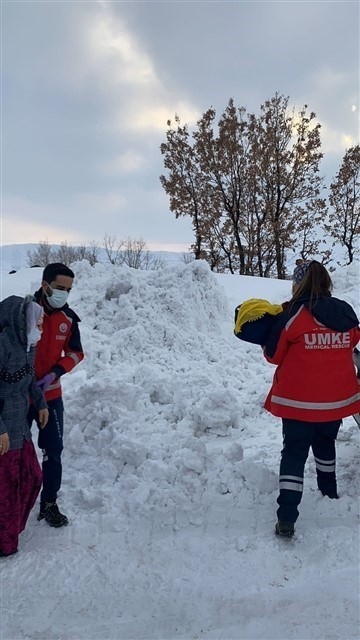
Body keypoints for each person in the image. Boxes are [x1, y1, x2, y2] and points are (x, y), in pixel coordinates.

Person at [263, 260, 360, 538]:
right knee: (325, 443)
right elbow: (353, 341)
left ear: (299, 283)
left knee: (293, 452)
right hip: (336, 402)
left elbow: (273, 356)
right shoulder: (345, 312)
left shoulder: (292, 313)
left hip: (298, 403)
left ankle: (287, 517)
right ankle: (329, 493)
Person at [28, 263, 84, 527]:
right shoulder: (24, 312)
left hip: (50, 395)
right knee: (12, 451)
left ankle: (49, 502)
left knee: (53, 450)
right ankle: (11, 501)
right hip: (20, 397)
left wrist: (56, 373)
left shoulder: (69, 319)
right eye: (60, 288)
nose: (64, 293)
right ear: (45, 285)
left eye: (68, 290)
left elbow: (76, 353)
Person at [0, 295, 49, 557]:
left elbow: (30, 381)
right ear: (23, 321)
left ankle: (11, 530)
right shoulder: (3, 345)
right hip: (4, 431)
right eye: (38, 323)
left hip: (20, 427)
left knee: (32, 478)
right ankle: (4, 543)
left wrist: (41, 404)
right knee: (5, 490)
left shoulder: (29, 345)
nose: (41, 328)